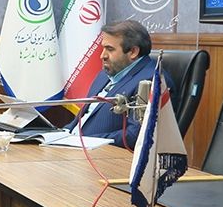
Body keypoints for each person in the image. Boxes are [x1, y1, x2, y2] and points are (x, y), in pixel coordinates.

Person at [66, 20, 166, 148]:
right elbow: (84, 117)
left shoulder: (151, 81)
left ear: (133, 52)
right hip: (73, 146)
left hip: (103, 154)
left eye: (110, 49)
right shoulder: (105, 74)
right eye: (103, 48)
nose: (102, 56)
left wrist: (83, 141)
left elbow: (135, 135)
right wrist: (62, 133)